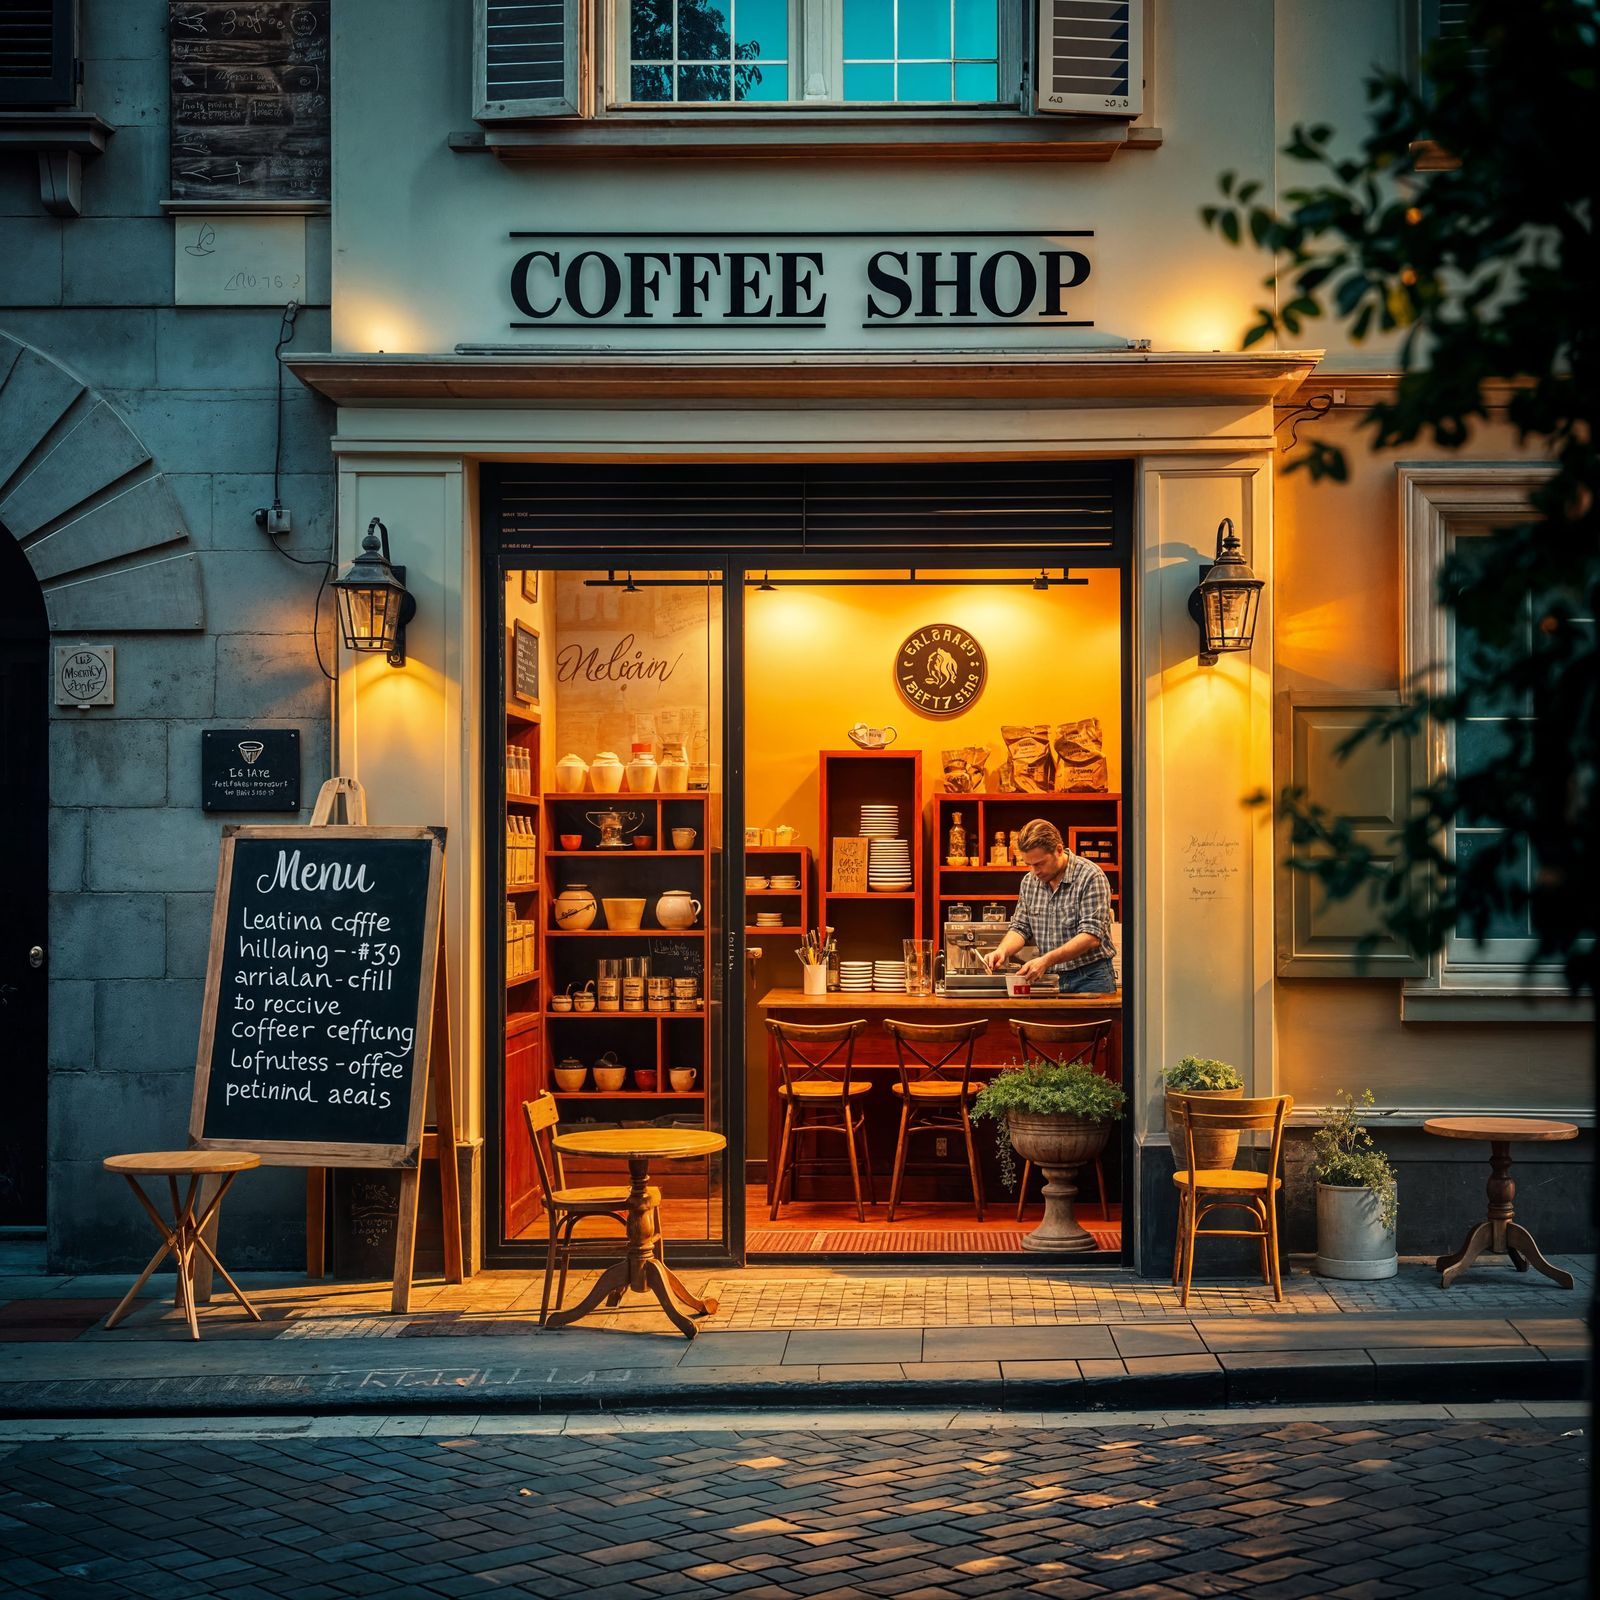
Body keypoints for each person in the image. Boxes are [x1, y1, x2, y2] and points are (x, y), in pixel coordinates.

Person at [984, 817, 1117, 994]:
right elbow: (1020, 927)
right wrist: (1002, 950)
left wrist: (1045, 960)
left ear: (1059, 850)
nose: (1034, 871)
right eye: (1029, 864)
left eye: (1039, 863)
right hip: (1050, 978)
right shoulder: (1029, 882)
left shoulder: (1091, 876)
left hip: (1090, 977)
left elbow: (1091, 936)